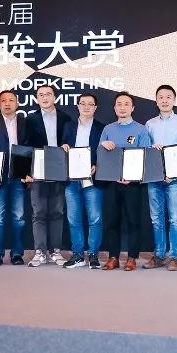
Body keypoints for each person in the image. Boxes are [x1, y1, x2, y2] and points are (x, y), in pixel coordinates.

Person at [99, 92, 152, 271]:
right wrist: (103, 145)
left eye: (126, 104)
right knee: (111, 220)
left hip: (132, 184)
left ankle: (131, 258)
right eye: (119, 104)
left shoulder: (141, 130)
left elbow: (145, 157)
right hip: (111, 182)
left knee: (133, 221)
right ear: (114, 108)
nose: (122, 107)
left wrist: (131, 177)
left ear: (133, 108)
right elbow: (101, 155)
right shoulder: (108, 129)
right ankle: (113, 257)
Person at [144, 85, 177, 271]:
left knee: (174, 218)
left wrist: (173, 174)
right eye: (161, 97)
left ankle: (174, 256)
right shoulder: (149, 124)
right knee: (156, 218)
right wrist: (151, 148)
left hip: (174, 179)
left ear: (174, 100)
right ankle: (159, 255)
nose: (164, 100)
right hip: (154, 177)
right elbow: (145, 151)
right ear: (156, 101)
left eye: (168, 97)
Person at [24, 84, 71, 267]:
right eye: (41, 95)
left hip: (58, 170)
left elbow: (69, 142)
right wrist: (25, 171)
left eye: (48, 94)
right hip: (37, 172)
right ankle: (40, 252)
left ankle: (56, 251)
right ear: (37, 99)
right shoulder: (30, 119)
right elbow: (25, 145)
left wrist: (67, 145)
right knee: (38, 213)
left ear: (55, 97)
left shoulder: (65, 118)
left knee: (57, 212)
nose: (45, 97)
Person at [60, 92, 105, 269]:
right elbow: (63, 147)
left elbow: (104, 152)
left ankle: (93, 254)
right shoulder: (68, 126)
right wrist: (63, 146)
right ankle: (78, 255)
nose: (86, 107)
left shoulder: (102, 128)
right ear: (77, 106)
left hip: (92, 179)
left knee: (95, 218)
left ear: (95, 107)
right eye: (83, 103)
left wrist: (98, 164)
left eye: (90, 104)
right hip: (72, 179)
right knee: (73, 219)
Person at [0, 90, 28, 266]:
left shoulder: (24, 122)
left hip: (19, 176)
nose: (7, 103)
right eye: (3, 101)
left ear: (17, 103)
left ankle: (17, 253)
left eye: (11, 100)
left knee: (19, 217)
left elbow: (29, 148)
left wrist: (28, 173)